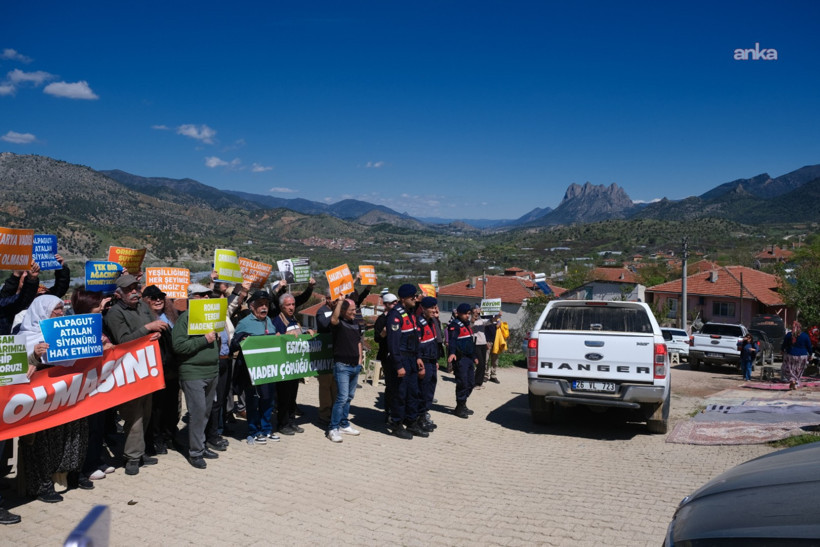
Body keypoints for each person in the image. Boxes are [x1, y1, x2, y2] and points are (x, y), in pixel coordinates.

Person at [18, 295, 92, 502]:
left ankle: (70, 474)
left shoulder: (67, 332)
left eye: (61, 308)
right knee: (42, 441)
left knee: (72, 434)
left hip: (66, 394)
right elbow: (14, 370)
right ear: (41, 312)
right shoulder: (25, 337)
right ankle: (42, 485)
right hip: (39, 400)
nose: (60, 313)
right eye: (55, 309)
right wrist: (33, 355)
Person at [103, 274, 168, 475]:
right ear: (118, 294)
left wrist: (154, 333)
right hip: (127, 370)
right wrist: (148, 328)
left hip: (146, 368)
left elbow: (150, 327)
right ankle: (131, 457)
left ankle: (139, 452)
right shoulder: (115, 313)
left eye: (135, 287)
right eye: (129, 289)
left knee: (146, 411)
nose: (134, 292)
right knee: (134, 415)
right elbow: (123, 341)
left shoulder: (142, 307)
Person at [172, 283, 221, 469]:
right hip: (193, 373)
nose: (207, 298)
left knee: (206, 412)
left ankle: (202, 444)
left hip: (211, 371)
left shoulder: (209, 318)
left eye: (208, 295)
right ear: (193, 298)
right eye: (203, 295)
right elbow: (179, 346)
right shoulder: (185, 319)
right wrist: (204, 340)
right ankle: (195, 453)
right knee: (198, 413)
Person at [232, 290, 279, 445]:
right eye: (260, 304)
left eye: (266, 304)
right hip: (251, 370)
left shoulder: (269, 321)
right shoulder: (244, 323)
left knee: (268, 399)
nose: (264, 307)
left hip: (269, 368)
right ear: (252, 306)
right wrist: (242, 340)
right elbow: (234, 344)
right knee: (253, 401)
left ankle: (266, 429)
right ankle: (254, 431)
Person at [384, 284, 428, 439]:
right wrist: (398, 365)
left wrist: (417, 357)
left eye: (416, 297)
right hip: (401, 359)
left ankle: (411, 422)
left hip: (411, 359)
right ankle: (396, 425)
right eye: (413, 297)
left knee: (413, 393)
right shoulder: (395, 316)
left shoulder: (410, 314)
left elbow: (414, 339)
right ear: (403, 299)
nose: (415, 299)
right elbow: (393, 344)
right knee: (400, 394)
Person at [272, 291, 313, 435]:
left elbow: (298, 336)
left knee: (292, 398)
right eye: (288, 305)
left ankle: (291, 421)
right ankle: (282, 424)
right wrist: (284, 336)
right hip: (284, 366)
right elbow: (274, 340)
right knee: (283, 398)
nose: (291, 307)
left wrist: (307, 332)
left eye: (293, 304)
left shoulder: (295, 320)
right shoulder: (276, 321)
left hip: (296, 367)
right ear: (281, 307)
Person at [326, 297, 363, 443]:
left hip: (355, 365)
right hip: (342, 366)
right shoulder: (338, 323)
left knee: (349, 397)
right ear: (343, 311)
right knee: (341, 397)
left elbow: (358, 341)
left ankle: (344, 424)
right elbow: (333, 320)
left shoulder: (355, 323)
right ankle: (333, 428)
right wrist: (340, 301)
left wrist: (360, 360)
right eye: (352, 310)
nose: (355, 312)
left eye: (355, 309)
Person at [448, 303, 478, 419]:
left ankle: (463, 403)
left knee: (471, 383)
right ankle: (459, 407)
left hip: (469, 358)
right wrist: (452, 353)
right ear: (459, 313)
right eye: (465, 314)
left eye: (469, 314)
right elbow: (452, 341)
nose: (467, 316)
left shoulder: (467, 325)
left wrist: (474, 356)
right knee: (463, 383)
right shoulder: (455, 326)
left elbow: (471, 343)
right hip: (460, 359)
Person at [417, 296, 441, 431]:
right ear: (423, 308)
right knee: (423, 391)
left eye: (435, 307)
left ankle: (424, 415)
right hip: (424, 362)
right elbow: (418, 345)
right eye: (431, 308)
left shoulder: (431, 322)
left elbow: (434, 341)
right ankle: (419, 418)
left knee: (430, 391)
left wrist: (435, 360)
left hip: (432, 361)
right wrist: (420, 363)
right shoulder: (419, 323)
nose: (434, 310)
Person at [314, 289, 337, 426]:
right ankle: (324, 414)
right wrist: (336, 311)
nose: (332, 300)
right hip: (324, 354)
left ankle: (334, 412)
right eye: (330, 298)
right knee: (325, 386)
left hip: (336, 353)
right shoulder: (322, 311)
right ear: (326, 298)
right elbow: (324, 324)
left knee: (336, 387)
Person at [781, 321, 813, 389]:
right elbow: (809, 346)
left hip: (790, 354)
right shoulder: (805, 336)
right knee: (798, 370)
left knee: (787, 369)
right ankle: (795, 382)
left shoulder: (789, 335)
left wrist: (782, 350)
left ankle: (792, 380)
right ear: (800, 328)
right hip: (802, 356)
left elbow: (784, 344)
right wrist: (810, 354)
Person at [471, 305, 489, 389]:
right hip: (476, 344)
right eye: (476, 310)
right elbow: (471, 324)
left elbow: (490, 321)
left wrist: (497, 315)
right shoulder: (471, 321)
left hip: (483, 344)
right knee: (480, 363)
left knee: (483, 364)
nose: (478, 311)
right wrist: (474, 316)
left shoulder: (481, 320)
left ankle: (480, 382)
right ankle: (475, 382)